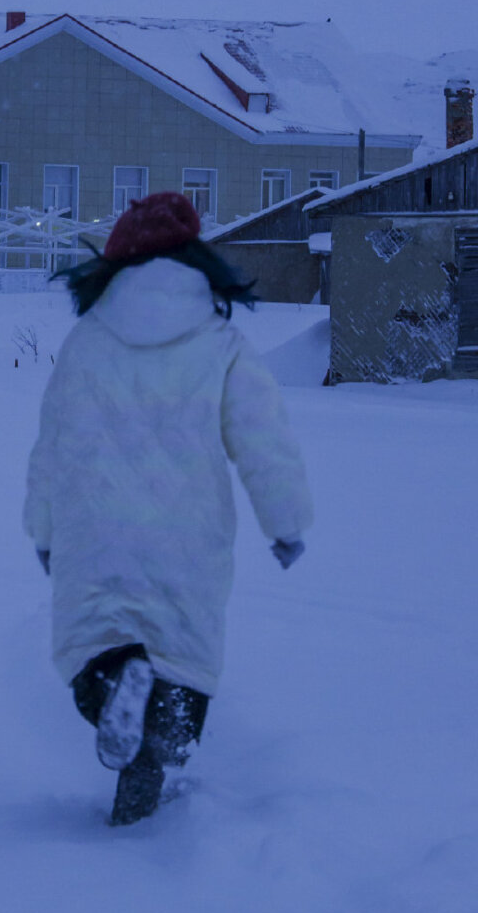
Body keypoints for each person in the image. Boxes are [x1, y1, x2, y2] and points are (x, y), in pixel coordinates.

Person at [24, 191, 313, 826]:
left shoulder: (88, 341)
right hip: (186, 538)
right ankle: (160, 742)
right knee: (179, 667)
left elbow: (54, 444)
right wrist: (285, 523)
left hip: (95, 532)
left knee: (95, 650)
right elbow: (263, 439)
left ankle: (114, 692)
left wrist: (43, 530)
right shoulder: (221, 343)